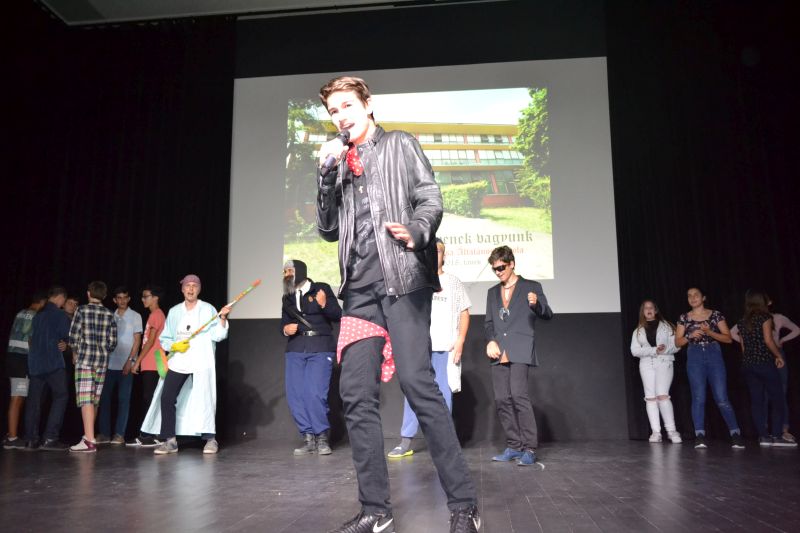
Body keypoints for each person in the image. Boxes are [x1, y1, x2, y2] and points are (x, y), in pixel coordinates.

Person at [316, 76, 480, 533]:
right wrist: (325, 176)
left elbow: (429, 197)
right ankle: (376, 509)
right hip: (359, 292)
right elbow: (327, 229)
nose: (341, 116)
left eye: (347, 105)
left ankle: (464, 505)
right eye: (333, 111)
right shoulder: (337, 163)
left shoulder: (400, 144)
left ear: (368, 105)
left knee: (417, 384)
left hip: (403, 280)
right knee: (355, 394)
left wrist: (419, 230)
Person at [388, 238, 470, 458]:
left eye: (439, 251)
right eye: (431, 251)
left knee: (443, 393)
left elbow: (464, 312)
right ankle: (406, 441)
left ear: (444, 255)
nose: (435, 255)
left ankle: (444, 442)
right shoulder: (416, 280)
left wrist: (460, 340)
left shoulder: (453, 282)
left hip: (445, 346)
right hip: (419, 346)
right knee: (413, 391)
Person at [143, 275, 230, 455]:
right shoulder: (175, 311)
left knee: (205, 398)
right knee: (167, 397)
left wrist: (222, 318)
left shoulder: (208, 309)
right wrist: (174, 346)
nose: (191, 289)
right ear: (182, 289)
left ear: (199, 289)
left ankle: (210, 439)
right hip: (179, 361)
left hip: (201, 361)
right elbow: (165, 339)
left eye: (194, 286)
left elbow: (219, 335)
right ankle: (170, 440)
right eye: (187, 286)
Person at [484, 245, 553, 466]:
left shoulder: (531, 287)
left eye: (501, 267)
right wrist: (491, 340)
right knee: (502, 399)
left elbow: (548, 314)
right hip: (499, 350)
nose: (498, 272)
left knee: (518, 396)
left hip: (520, 347)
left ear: (512, 264)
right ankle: (514, 445)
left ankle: (530, 448)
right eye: (495, 269)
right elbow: (488, 323)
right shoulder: (492, 292)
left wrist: (536, 305)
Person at [281, 259, 342, 456]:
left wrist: (324, 304)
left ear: (300, 271)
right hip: (296, 348)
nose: (287, 275)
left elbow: (338, 315)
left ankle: (322, 437)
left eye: (290, 271)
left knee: (315, 393)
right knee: (295, 395)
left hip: (320, 347)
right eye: (285, 272)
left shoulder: (321, 288)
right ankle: (308, 437)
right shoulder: (287, 298)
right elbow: (283, 324)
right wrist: (285, 329)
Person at [675, 287, 743, 449]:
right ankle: (699, 435)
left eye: (696, 295)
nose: (692, 298)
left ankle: (735, 433)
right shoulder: (684, 317)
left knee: (721, 397)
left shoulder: (715, 315)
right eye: (689, 296)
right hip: (695, 355)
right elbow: (677, 342)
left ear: (703, 297)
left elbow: (728, 339)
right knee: (698, 397)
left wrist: (709, 332)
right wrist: (689, 336)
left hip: (713, 354)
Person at [730, 297, 799, 442]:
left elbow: (743, 346)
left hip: (750, 362)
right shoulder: (765, 318)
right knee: (778, 398)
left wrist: (748, 357)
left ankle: (764, 436)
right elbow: (768, 340)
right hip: (766, 359)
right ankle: (777, 435)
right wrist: (778, 355)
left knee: (757, 399)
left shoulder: (743, 321)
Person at [68, 281, 118, 452]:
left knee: (86, 399)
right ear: (104, 296)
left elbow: (73, 337)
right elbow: (113, 342)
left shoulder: (81, 310)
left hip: (85, 360)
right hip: (102, 362)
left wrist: (76, 351)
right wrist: (103, 351)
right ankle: (87, 436)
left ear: (88, 293)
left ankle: (90, 440)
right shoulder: (109, 314)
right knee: (94, 400)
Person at [23, 286, 72, 451]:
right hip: (53, 363)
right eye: (64, 300)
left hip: (35, 363)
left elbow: (30, 338)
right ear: (60, 298)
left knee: (34, 401)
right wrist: (66, 344)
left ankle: (30, 440)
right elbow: (67, 336)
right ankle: (50, 438)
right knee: (61, 396)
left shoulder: (37, 316)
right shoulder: (60, 315)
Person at [630, 300, 682, 443]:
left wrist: (664, 350)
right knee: (650, 398)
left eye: (651, 307)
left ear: (656, 310)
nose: (648, 310)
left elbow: (677, 346)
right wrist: (654, 350)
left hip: (664, 362)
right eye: (645, 308)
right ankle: (656, 432)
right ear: (642, 312)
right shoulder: (638, 330)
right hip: (646, 364)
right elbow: (634, 351)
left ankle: (671, 431)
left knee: (662, 395)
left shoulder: (667, 326)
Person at [97, 286, 142, 444]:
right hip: (108, 364)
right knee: (104, 399)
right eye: (119, 298)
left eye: (125, 297)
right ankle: (104, 433)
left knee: (123, 399)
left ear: (129, 299)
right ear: (114, 300)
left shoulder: (135, 316)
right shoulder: (110, 315)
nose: (122, 301)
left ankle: (119, 434)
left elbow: (137, 341)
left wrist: (130, 361)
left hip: (126, 364)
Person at [3, 292, 47, 449]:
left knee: (18, 397)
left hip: (13, 358)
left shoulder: (20, 312)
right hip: (22, 360)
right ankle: (12, 438)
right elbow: (30, 339)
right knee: (17, 398)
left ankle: (11, 434)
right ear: (42, 302)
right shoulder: (36, 316)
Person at [127, 285, 166, 447]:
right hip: (151, 362)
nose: (143, 299)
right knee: (150, 398)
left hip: (153, 362)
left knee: (149, 399)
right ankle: (154, 434)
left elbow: (150, 342)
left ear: (155, 297)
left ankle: (148, 435)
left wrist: (137, 361)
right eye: (142, 297)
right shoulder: (154, 315)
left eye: (146, 296)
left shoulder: (156, 315)